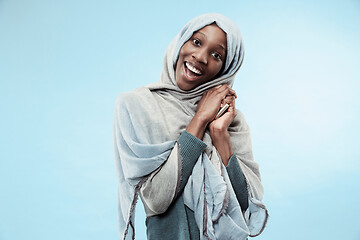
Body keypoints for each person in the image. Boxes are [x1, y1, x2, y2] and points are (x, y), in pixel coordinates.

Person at [113, 13, 268, 240]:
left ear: (225, 68)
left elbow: (245, 204)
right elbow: (156, 199)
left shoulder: (230, 120)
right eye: (196, 42)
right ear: (181, 42)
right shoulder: (136, 105)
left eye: (217, 55)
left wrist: (218, 133)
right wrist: (199, 120)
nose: (201, 57)